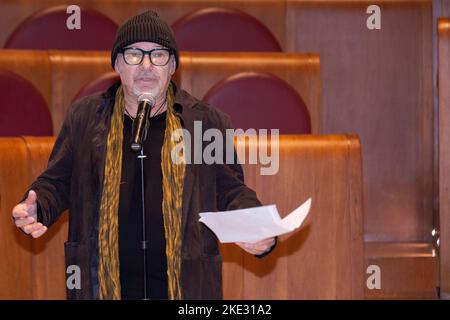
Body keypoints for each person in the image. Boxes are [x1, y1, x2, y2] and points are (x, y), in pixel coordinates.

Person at [11, 10, 276, 300]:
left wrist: (256, 225)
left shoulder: (205, 123)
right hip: (101, 287)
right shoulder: (85, 118)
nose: (147, 65)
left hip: (186, 291)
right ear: (118, 65)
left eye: (159, 55)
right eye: (134, 55)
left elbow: (230, 189)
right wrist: (39, 207)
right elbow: (58, 182)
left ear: (173, 65)